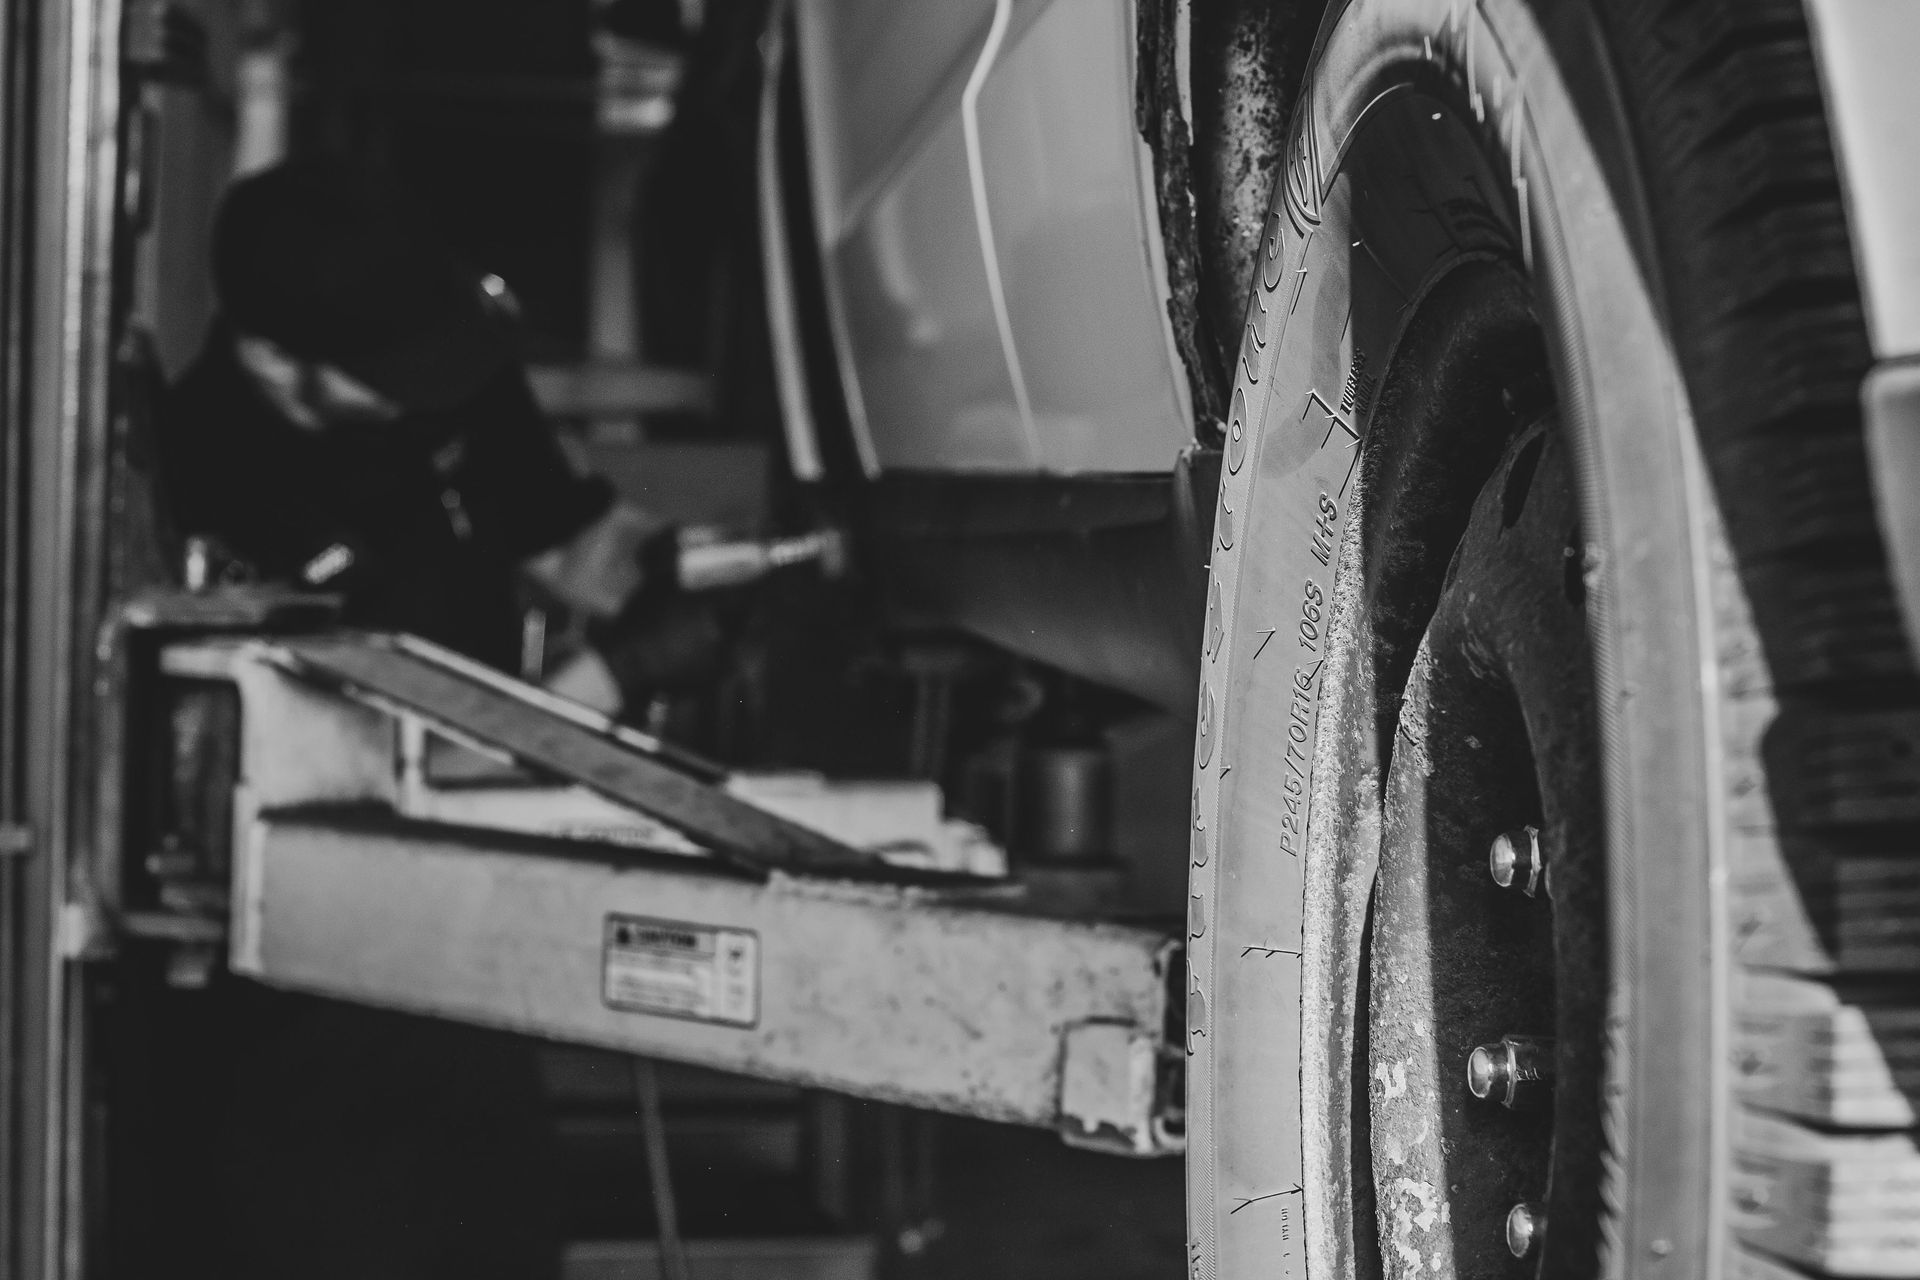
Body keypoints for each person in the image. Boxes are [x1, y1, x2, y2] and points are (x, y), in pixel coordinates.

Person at [157, 157, 700, 1280]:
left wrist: (675, 570)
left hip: (471, 946)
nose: (428, 395)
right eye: (388, 378)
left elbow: (561, 536)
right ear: (273, 357)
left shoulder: (448, 381)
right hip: (306, 1000)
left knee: (495, 1231)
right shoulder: (206, 485)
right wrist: (613, 672)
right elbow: (368, 763)